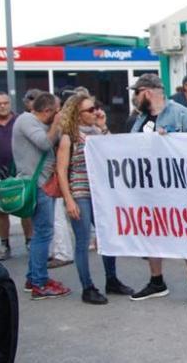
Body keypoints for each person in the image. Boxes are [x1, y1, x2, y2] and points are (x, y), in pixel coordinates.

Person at [127, 74, 187, 305]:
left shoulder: (179, 112)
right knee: (151, 232)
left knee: (186, 231)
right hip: (149, 186)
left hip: (177, 186)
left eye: (137, 92)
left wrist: (172, 139)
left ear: (148, 92)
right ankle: (156, 280)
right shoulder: (140, 118)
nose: (135, 97)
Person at [56, 93, 134, 304]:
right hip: (80, 192)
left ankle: (112, 279)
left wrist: (103, 126)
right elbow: (62, 171)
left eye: (96, 108)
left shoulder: (97, 133)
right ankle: (87, 287)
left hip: (101, 194)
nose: (95, 112)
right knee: (82, 241)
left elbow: (113, 153)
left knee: (107, 236)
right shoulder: (69, 137)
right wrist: (69, 199)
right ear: (78, 114)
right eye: (90, 110)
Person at [12, 92, 71, 299]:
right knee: (43, 234)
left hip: (43, 184)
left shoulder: (34, 122)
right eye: (55, 111)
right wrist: (55, 124)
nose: (58, 114)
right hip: (37, 185)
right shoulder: (27, 120)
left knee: (42, 233)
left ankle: (33, 277)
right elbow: (44, 143)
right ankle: (39, 282)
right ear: (47, 111)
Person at [0, 91, 33, 259]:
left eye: (5, 103)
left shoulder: (20, 121)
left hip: (20, 170)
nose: (3, 106)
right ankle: (4, 244)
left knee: (24, 208)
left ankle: (30, 241)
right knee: (1, 211)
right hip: (0, 173)